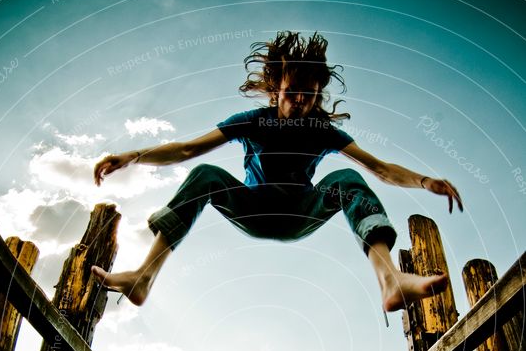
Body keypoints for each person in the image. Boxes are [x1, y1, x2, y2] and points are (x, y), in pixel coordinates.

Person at [92, 31, 462, 313]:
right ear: (276, 89)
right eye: (292, 92)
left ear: (319, 95)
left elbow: (380, 169)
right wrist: (134, 155)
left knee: (346, 181)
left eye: (310, 95)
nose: (300, 101)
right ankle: (144, 276)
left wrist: (424, 181)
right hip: (253, 208)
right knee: (206, 173)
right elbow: (188, 148)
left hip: (300, 211)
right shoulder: (252, 121)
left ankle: (389, 279)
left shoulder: (323, 130)